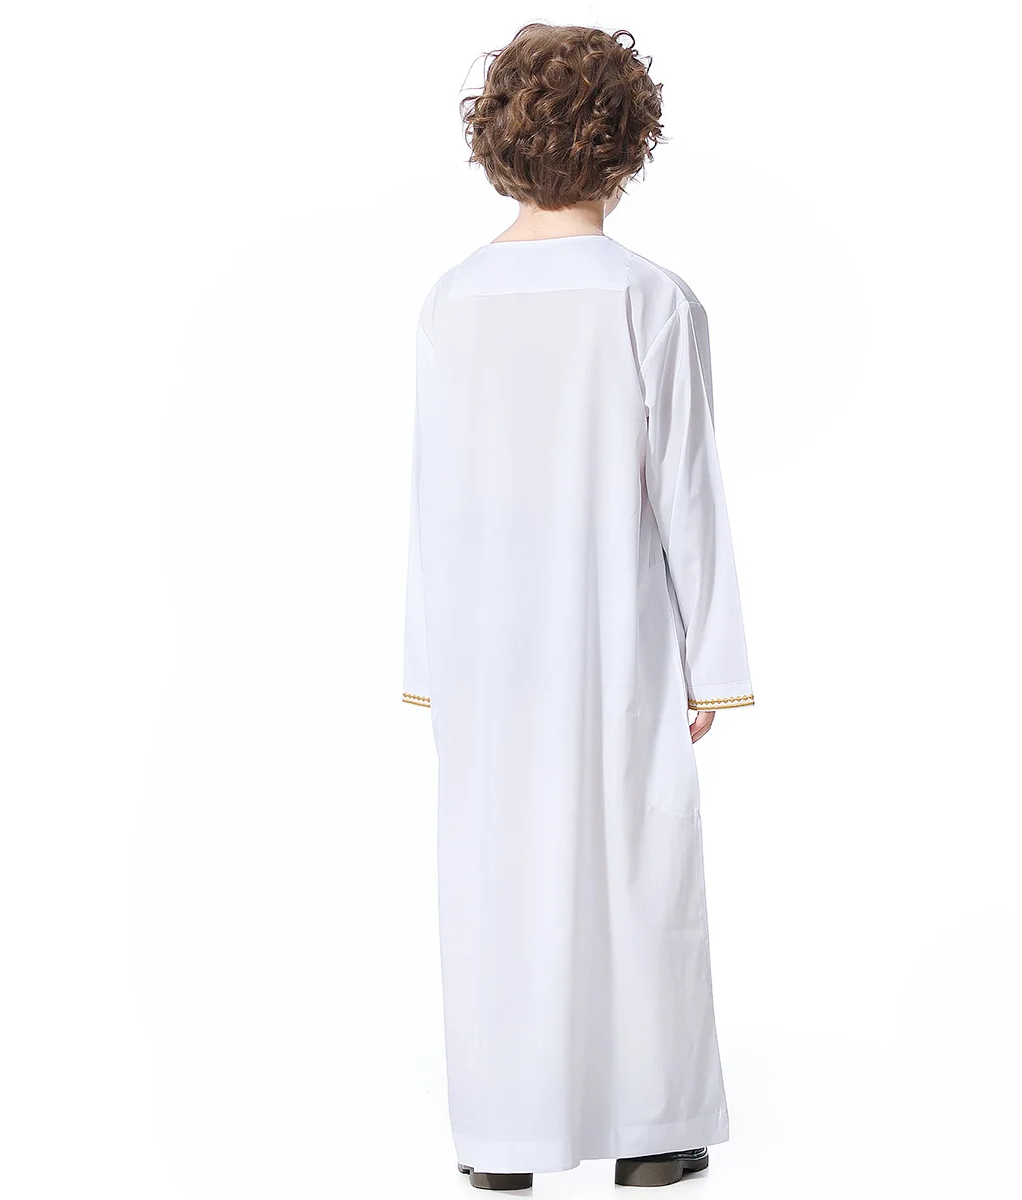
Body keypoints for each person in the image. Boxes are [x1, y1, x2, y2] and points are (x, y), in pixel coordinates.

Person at [403, 23, 754, 1191]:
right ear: (628, 145)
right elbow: (689, 496)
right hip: (617, 633)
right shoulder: (650, 299)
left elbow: (433, 493)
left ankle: (501, 1138)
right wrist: (712, 665)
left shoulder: (452, 301)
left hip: (485, 643)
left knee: (495, 874)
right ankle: (652, 1129)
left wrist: (429, 662)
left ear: (496, 142)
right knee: (637, 869)